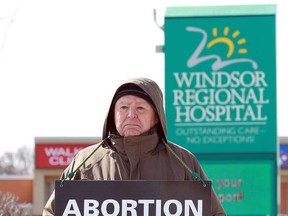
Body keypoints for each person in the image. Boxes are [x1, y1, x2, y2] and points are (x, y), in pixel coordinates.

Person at [43, 77, 226, 215]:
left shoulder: (182, 161)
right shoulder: (86, 161)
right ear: (113, 115)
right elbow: (52, 212)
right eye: (123, 107)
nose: (131, 115)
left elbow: (215, 213)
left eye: (140, 108)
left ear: (156, 117)